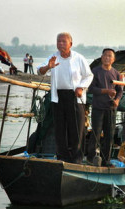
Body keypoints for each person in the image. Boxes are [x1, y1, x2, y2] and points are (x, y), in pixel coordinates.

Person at [37, 32, 93, 164]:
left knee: (76, 129)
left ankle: (76, 159)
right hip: (58, 97)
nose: (60, 44)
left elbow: (89, 76)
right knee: (60, 129)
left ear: (70, 44)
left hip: (75, 96)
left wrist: (81, 87)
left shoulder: (78, 58)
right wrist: (48, 67)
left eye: (63, 41)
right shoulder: (53, 57)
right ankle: (62, 157)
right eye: (58, 41)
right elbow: (39, 71)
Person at [87, 48, 123, 166]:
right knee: (96, 133)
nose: (107, 58)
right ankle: (91, 158)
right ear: (102, 57)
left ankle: (105, 160)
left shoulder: (116, 74)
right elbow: (91, 89)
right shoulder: (95, 71)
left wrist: (117, 100)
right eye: (105, 55)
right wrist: (106, 91)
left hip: (111, 108)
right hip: (98, 107)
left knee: (109, 135)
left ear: (113, 60)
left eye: (109, 56)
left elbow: (120, 91)